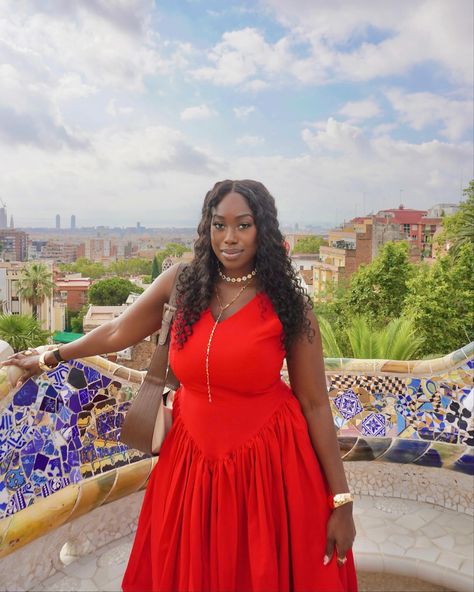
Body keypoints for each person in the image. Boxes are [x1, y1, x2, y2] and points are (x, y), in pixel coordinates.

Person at [3, 180, 357, 592]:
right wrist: (50, 357)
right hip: (190, 462)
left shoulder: (287, 305)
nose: (229, 237)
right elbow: (118, 331)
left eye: (243, 225)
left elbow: (314, 403)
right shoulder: (183, 283)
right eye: (219, 224)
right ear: (206, 227)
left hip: (269, 465)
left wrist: (341, 501)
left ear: (263, 229)